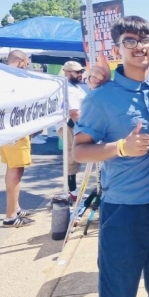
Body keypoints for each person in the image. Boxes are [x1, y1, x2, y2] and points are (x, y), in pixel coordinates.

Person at [72, 16, 149, 297]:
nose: (138, 47)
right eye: (129, 41)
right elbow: (80, 151)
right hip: (124, 212)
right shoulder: (101, 98)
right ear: (117, 49)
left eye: (144, 40)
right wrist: (121, 147)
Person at [0, 50, 36, 227]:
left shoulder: (1, 75)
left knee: (12, 169)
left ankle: (15, 207)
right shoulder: (13, 78)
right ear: (20, 61)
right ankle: (11, 215)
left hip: (6, 130)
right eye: (26, 63)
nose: (27, 66)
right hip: (15, 131)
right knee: (16, 171)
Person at [59, 61, 87, 200]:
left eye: (81, 72)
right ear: (68, 73)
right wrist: (85, 128)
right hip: (69, 125)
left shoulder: (75, 86)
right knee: (72, 156)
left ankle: (73, 189)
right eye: (77, 72)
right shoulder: (69, 89)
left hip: (73, 125)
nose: (81, 74)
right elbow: (74, 113)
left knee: (75, 157)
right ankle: (71, 191)